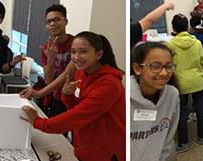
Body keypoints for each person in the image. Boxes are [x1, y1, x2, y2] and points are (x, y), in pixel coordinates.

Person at [21, 31, 125, 161]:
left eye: (83, 52)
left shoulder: (109, 84)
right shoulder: (82, 73)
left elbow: (77, 115)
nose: (76, 57)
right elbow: (77, 109)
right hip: (85, 143)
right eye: (73, 52)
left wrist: (39, 122)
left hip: (105, 151)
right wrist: (67, 95)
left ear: (98, 54)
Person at [130, 42, 179, 161]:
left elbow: (168, 138)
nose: (164, 73)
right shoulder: (125, 97)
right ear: (137, 68)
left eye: (168, 66)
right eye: (155, 66)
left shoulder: (172, 95)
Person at [166, 14, 203, 153]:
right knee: (200, 107)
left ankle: (183, 143)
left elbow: (168, 64)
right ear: (187, 26)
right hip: (197, 80)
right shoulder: (197, 43)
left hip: (180, 82)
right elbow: (202, 61)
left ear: (173, 27)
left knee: (182, 111)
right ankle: (202, 137)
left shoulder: (170, 44)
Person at [39, 4, 75, 118]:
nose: (52, 24)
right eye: (49, 21)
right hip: (57, 98)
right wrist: (51, 60)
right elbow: (48, 80)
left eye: (56, 19)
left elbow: (69, 73)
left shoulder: (76, 43)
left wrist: (40, 93)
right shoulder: (46, 48)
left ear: (66, 21)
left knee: (77, 134)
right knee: (57, 134)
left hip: (76, 97)